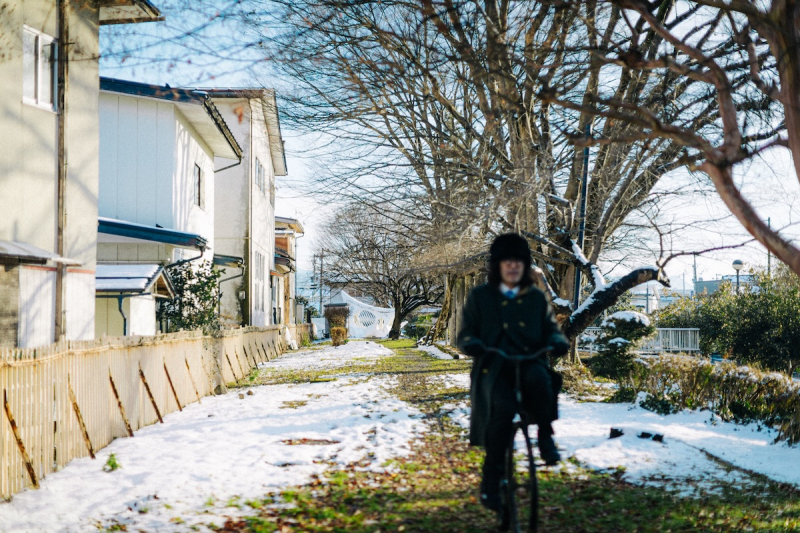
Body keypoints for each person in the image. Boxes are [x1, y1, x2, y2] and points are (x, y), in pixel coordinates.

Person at [457, 233, 570, 512]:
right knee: (501, 412)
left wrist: (557, 342)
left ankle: (545, 436)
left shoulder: (534, 297)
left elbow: (550, 330)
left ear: (525, 265)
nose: (513, 266)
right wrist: (473, 344)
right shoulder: (481, 296)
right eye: (507, 261)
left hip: (528, 361)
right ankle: (491, 480)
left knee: (542, 379)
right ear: (497, 265)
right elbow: (466, 334)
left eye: (518, 261)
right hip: (493, 368)